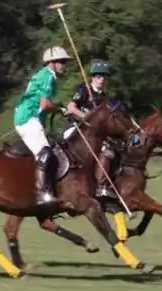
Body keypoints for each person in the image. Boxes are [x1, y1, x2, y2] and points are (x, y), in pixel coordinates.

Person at [13, 46, 72, 204]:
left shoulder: (47, 76)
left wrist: (58, 107)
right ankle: (41, 193)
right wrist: (60, 109)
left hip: (30, 117)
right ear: (52, 63)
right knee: (45, 153)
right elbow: (45, 104)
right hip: (28, 117)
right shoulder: (47, 76)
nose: (64, 65)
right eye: (62, 62)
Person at [62, 59, 115, 197]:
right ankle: (100, 186)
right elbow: (71, 107)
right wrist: (86, 117)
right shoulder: (84, 89)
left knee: (110, 150)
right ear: (92, 77)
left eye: (104, 77)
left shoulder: (103, 97)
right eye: (99, 76)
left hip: (92, 133)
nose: (102, 79)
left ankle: (103, 185)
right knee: (102, 149)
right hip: (75, 127)